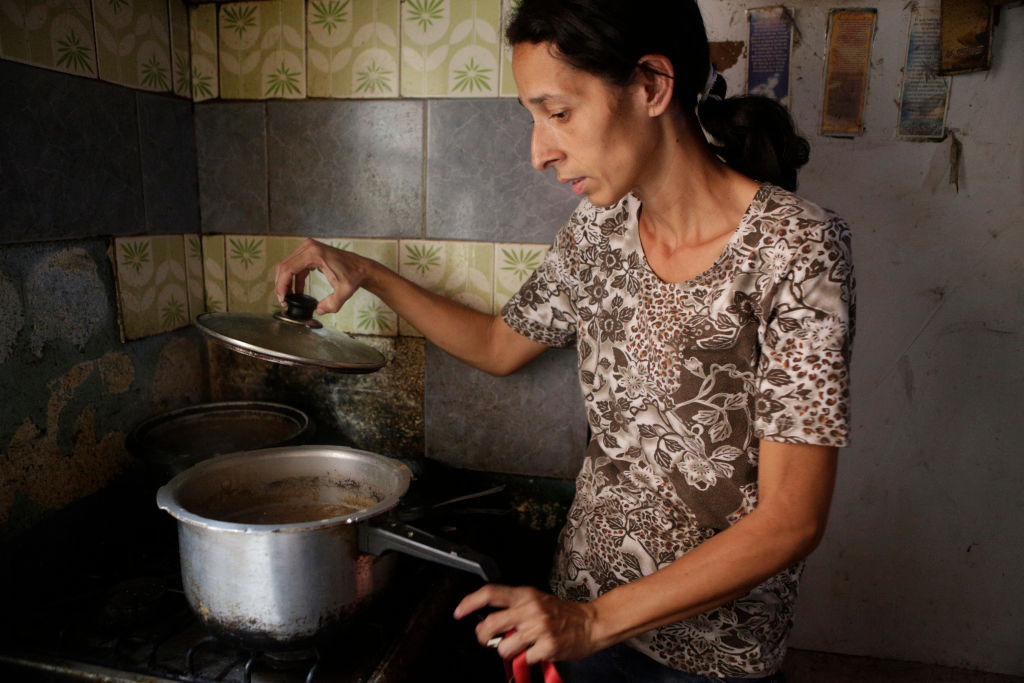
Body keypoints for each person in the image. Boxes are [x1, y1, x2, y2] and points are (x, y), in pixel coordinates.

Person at [274, 0, 855, 680]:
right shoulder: (598, 232)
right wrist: (367, 273)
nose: (538, 152)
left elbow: (791, 520)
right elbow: (498, 344)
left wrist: (592, 622)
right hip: (578, 615)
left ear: (650, 86)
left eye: (558, 112)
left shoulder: (797, 246)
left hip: (711, 654)